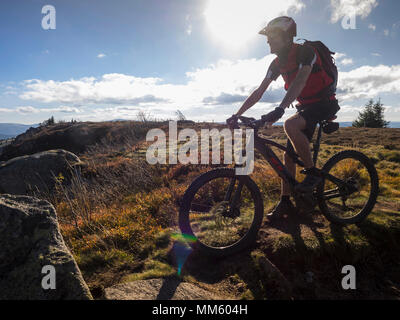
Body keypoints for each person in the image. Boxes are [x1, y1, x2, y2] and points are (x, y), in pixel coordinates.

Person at [227, 16, 340, 220]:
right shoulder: (277, 63)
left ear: (287, 37)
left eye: (272, 36)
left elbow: (300, 80)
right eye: (267, 37)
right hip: (305, 106)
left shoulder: (306, 52)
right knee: (288, 157)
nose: (268, 41)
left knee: (289, 124)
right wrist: (237, 114)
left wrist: (280, 108)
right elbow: (259, 91)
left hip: (324, 103)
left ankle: (312, 173)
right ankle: (286, 201)